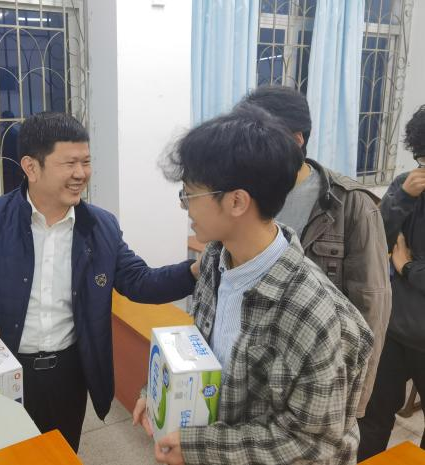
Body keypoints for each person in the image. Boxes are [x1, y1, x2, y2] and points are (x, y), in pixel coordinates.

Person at [0, 112, 199, 452]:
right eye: (70, 163)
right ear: (31, 167)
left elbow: (140, 281)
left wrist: (194, 271)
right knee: (1, 452)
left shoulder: (100, 227)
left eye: (86, 162)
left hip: (68, 375)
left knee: (60, 452)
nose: (81, 173)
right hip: (3, 368)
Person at [132, 104, 373, 464]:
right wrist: (158, 391)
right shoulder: (216, 260)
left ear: (236, 202)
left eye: (189, 195)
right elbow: (201, 352)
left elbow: (312, 445)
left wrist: (199, 447)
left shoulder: (311, 313)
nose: (185, 207)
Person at [238, 85, 391, 418]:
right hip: (254, 364)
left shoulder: (350, 204)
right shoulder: (246, 195)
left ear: (296, 140)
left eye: (261, 140)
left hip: (317, 374)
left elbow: (372, 307)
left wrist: (353, 401)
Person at [357, 104, 425, 460]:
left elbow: (398, 259)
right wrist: (402, 198)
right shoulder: (405, 185)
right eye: (422, 158)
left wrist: (406, 266)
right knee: (373, 416)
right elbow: (374, 243)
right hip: (393, 327)